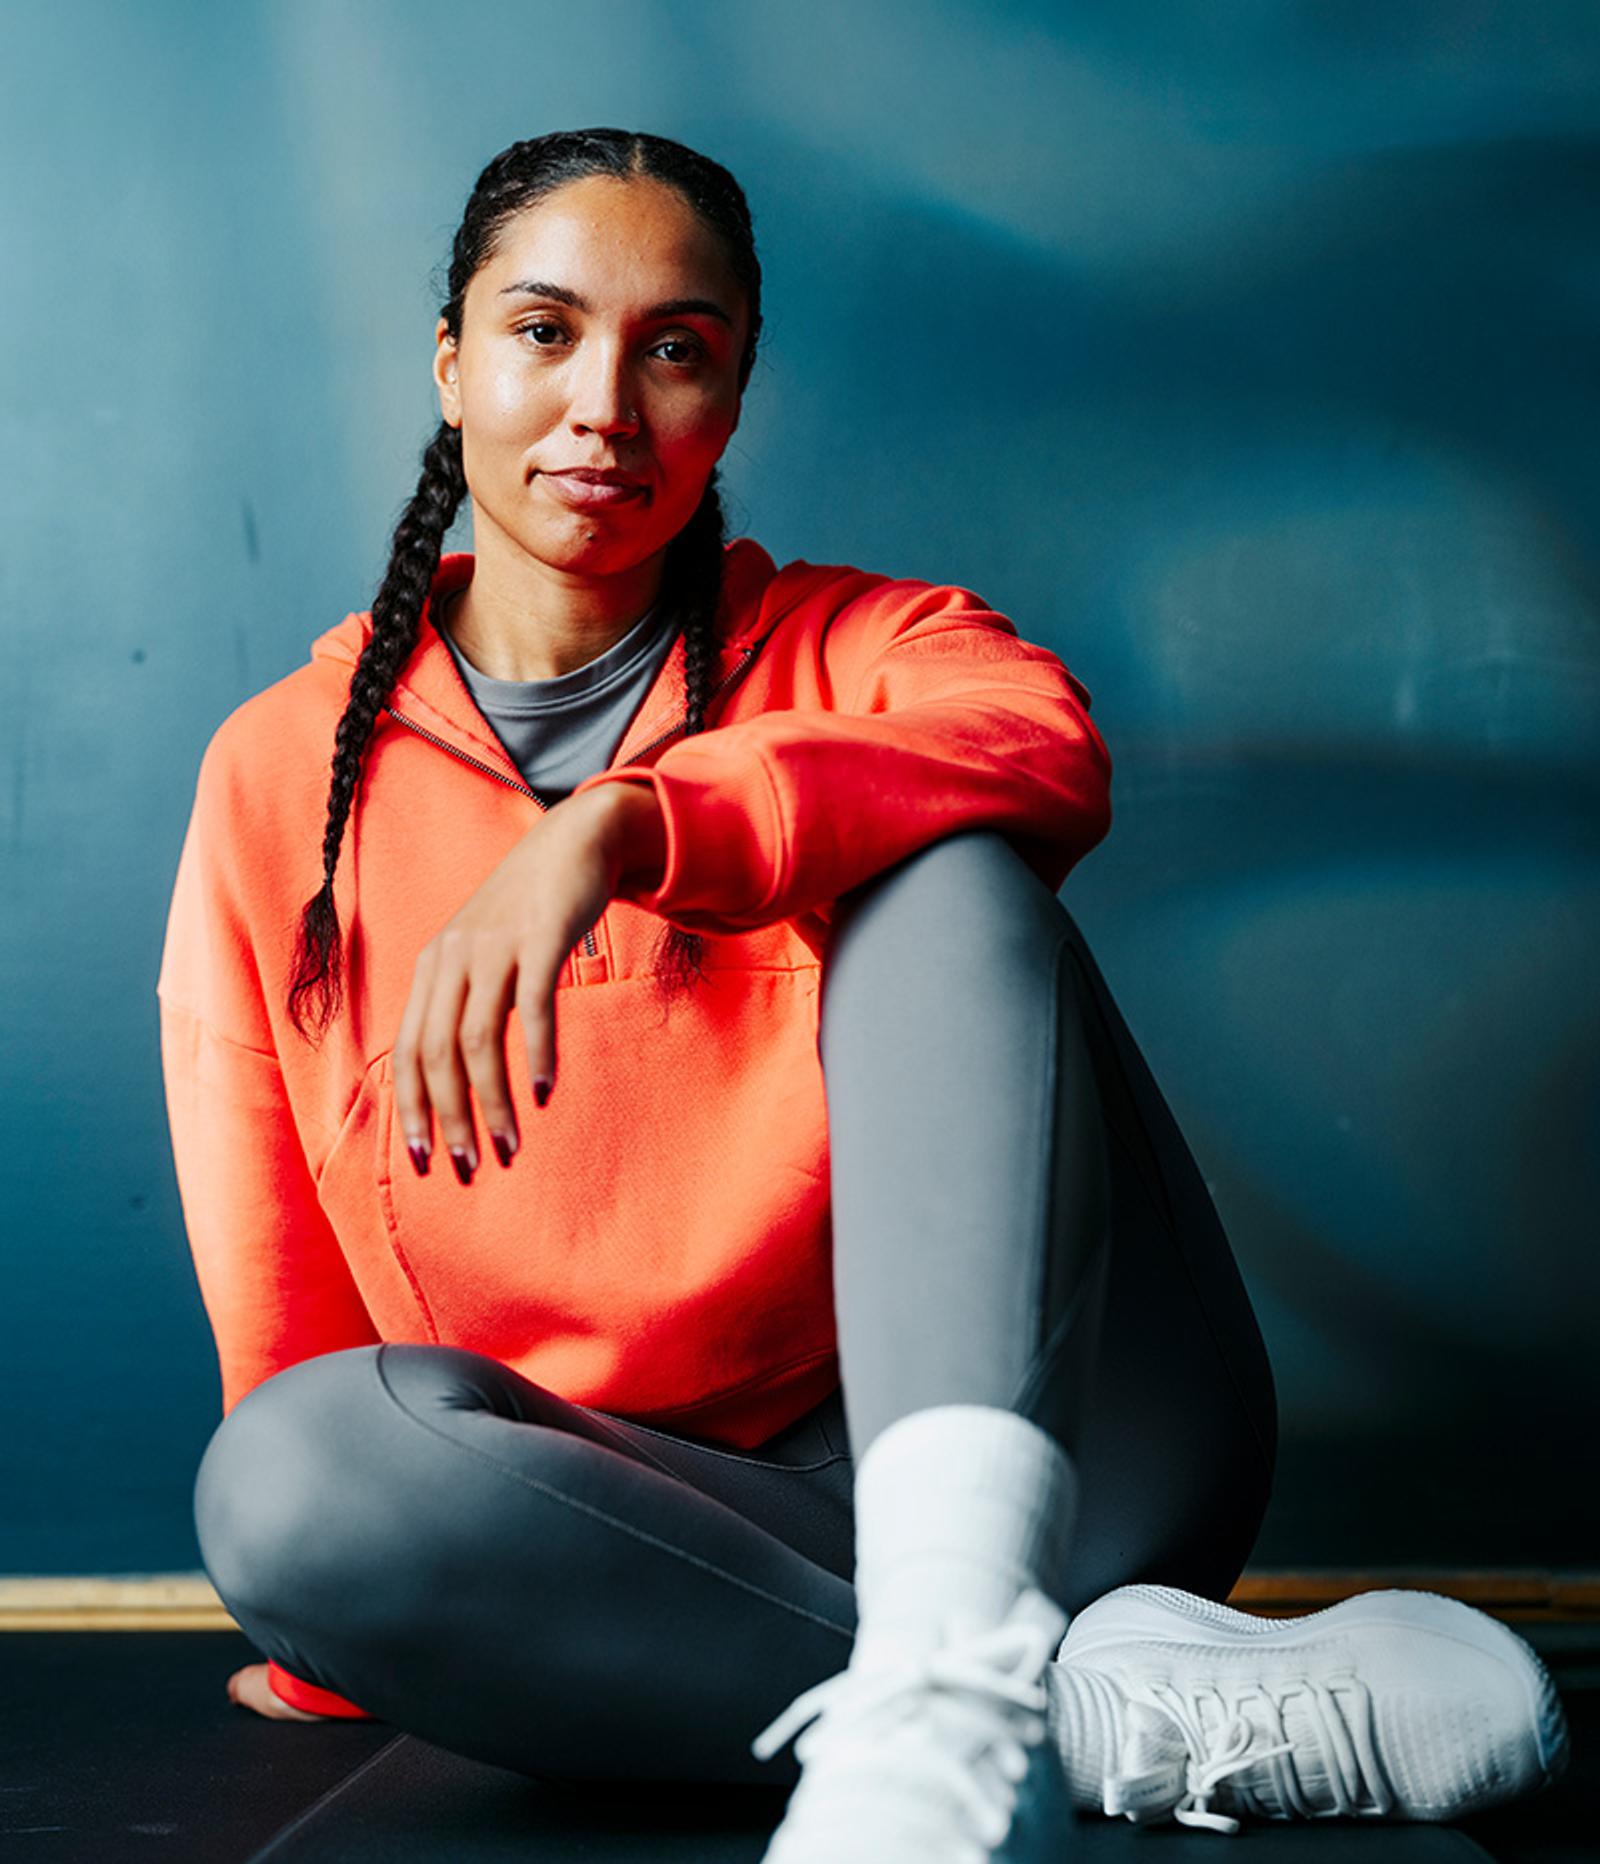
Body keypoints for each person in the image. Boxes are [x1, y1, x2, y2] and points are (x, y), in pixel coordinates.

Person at [158, 128, 1569, 1861]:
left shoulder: (870, 644)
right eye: (543, 331)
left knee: (945, 844)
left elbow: (1040, 750)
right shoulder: (278, 780)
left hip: (1074, 1456)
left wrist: (630, 825)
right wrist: (340, 1627)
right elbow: (278, 1256)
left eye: (674, 347)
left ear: (731, 400)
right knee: (287, 1482)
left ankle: (969, 1632)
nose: (603, 400)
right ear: (449, 364)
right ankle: (1071, 1714)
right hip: (657, 1521)